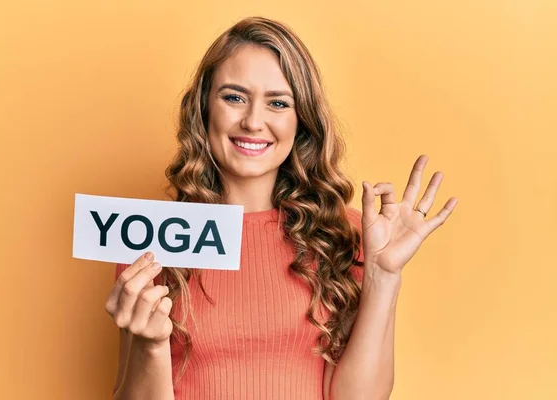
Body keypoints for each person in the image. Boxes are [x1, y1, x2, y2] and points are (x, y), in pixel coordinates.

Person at [104, 16, 458, 400]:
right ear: (204, 107)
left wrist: (383, 275)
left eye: (277, 103)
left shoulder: (343, 237)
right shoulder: (152, 238)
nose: (254, 121)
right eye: (234, 97)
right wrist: (152, 346)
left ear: (300, 121)